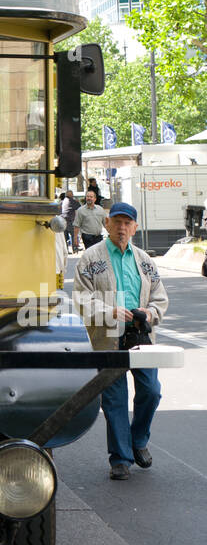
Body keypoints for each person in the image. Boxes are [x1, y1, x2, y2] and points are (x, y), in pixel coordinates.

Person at [72, 201, 168, 481]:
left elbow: (159, 297)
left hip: (141, 336)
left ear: (135, 228)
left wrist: (150, 312)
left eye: (128, 223)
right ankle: (120, 458)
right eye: (117, 222)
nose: (122, 228)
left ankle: (138, 441)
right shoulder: (90, 259)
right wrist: (109, 312)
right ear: (107, 224)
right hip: (107, 338)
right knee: (114, 399)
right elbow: (81, 300)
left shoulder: (145, 260)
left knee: (151, 391)